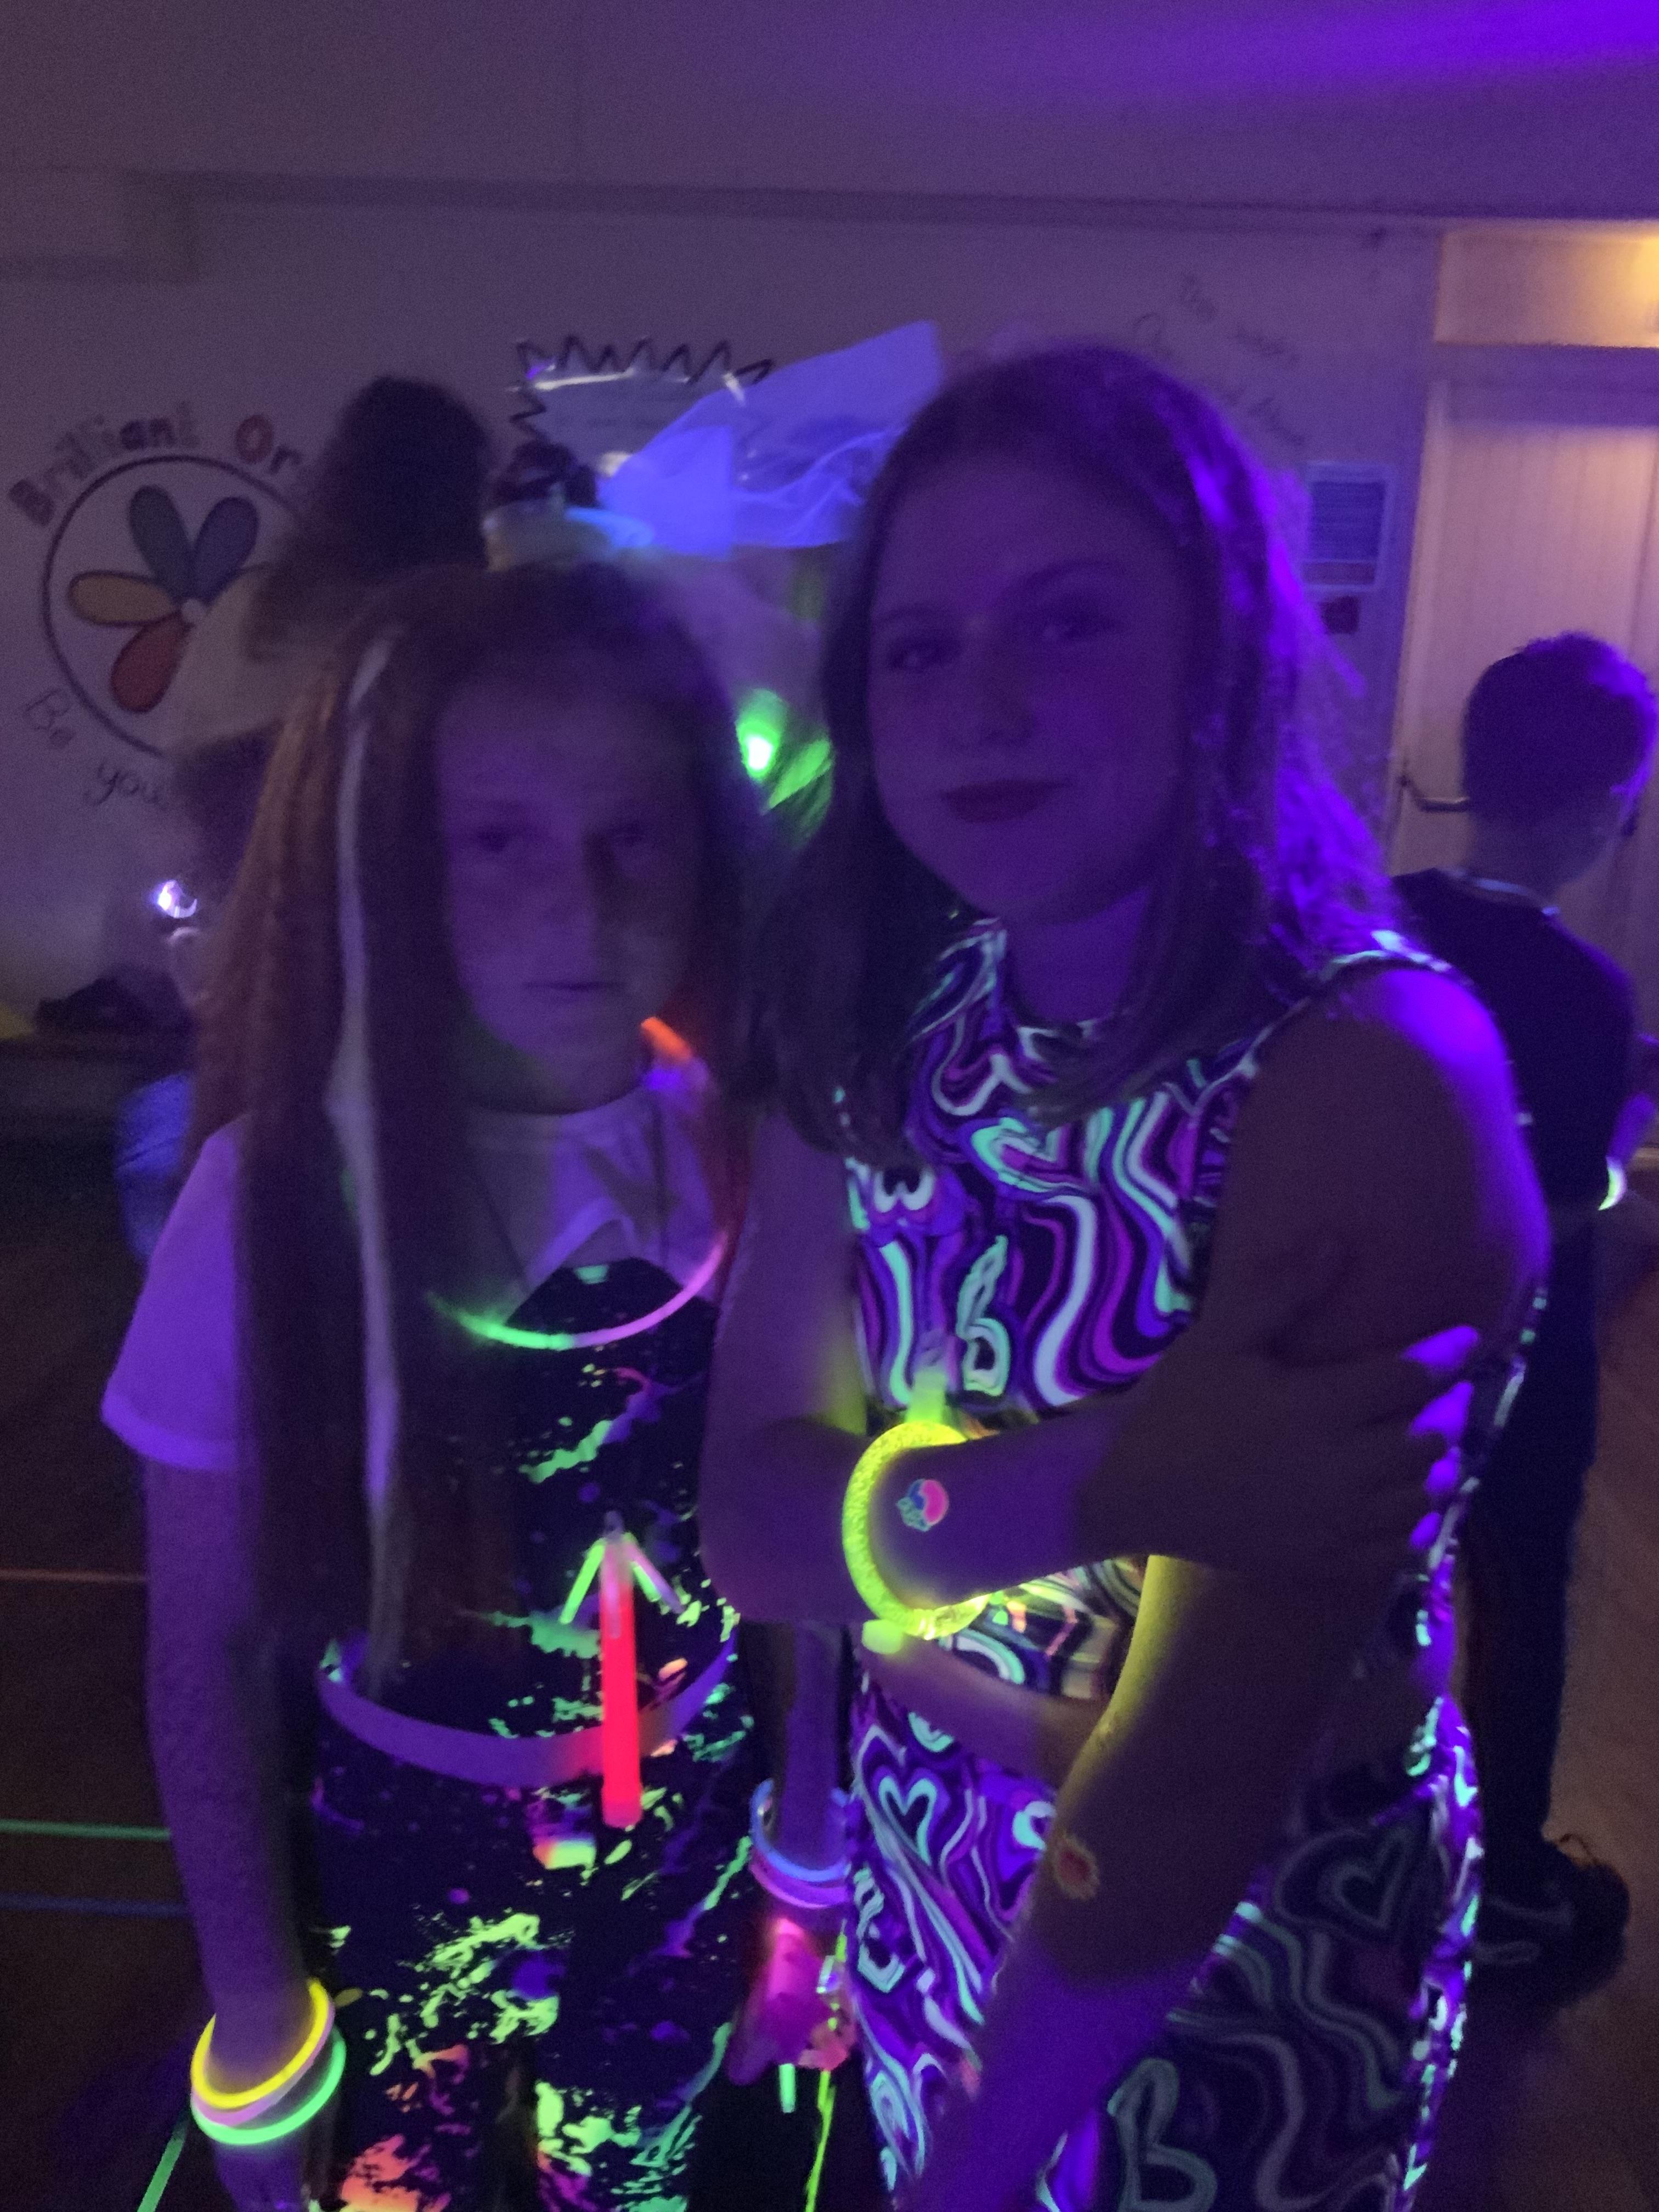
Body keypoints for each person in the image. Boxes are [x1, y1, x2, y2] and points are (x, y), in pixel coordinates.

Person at [699, 346, 1546, 2211]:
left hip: (1226, 1975)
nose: (982, 702)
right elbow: (749, 1531)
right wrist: (1110, 1478)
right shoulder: (881, 1017)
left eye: (1067, 621)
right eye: (919, 646)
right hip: (924, 1879)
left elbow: (1191, 1779)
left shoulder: (1365, 1074)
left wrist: (976, 2171)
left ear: (1218, 654)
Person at [104, 563, 838, 2211]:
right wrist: (256, 2014)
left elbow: (803, 1572)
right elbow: (201, 1647)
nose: (576, 904)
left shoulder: (756, 1154)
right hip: (398, 1874)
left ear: (703, 847)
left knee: (634, 2185)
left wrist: (805, 1862)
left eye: (629, 834)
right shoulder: (277, 1197)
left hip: (688, 1847)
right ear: (391, 860)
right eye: (495, 840)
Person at [1397, 633, 1658, 1997]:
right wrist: (1619, 1145)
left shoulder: (1374, 923)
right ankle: (1507, 1879)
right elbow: (1564, 1203)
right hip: (1517, 1359)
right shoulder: (1589, 994)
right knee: (1524, 1599)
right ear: (1605, 810)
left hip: (1367, 1338)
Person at [115, 376, 492, 1262]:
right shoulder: (463, 624)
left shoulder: (249, 612)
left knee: (242, 1160)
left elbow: (186, 770)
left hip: (250, 933)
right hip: (404, 946)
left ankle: (219, 1300)